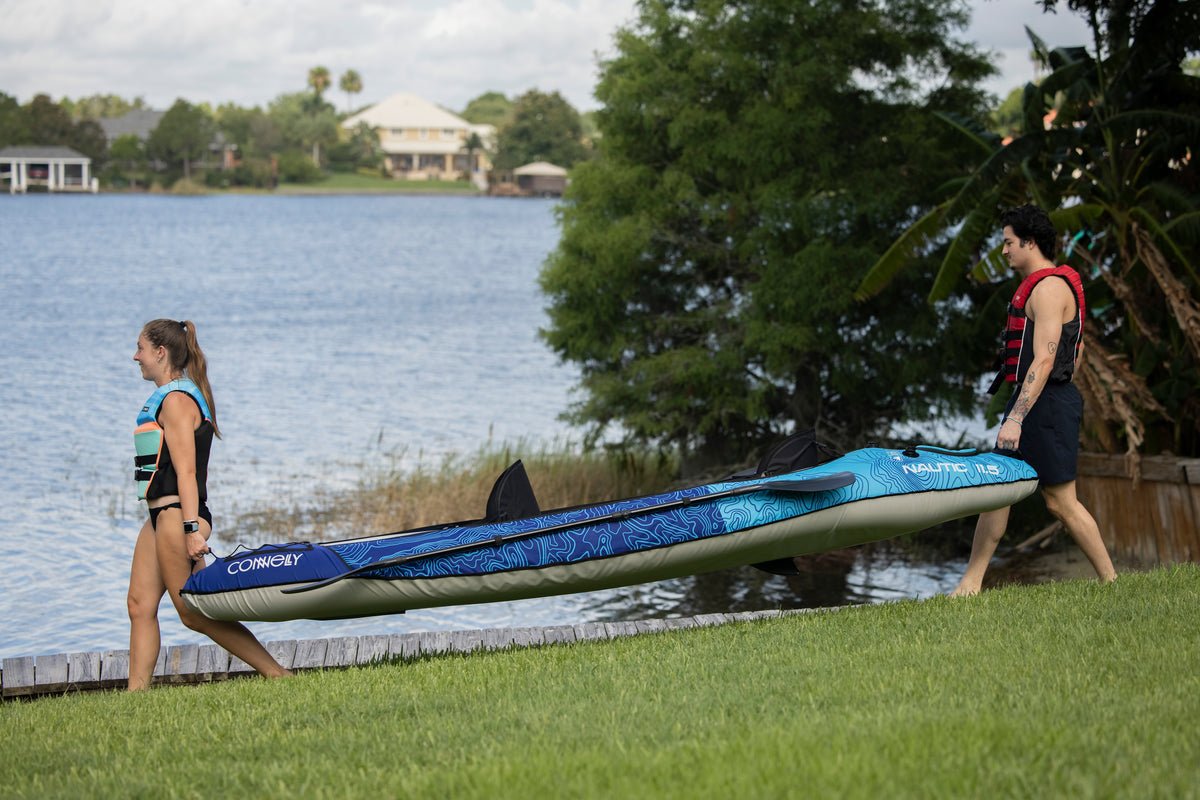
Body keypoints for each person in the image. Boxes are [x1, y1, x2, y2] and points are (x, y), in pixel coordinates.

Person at [950, 205, 1117, 597]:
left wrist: (1017, 417)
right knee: (997, 491)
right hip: (1032, 404)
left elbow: (1046, 358)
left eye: (1008, 242)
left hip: (1046, 405)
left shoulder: (1049, 289)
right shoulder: (1046, 286)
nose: (1004, 251)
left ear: (1029, 242)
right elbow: (1075, 352)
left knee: (1061, 503)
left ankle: (1112, 582)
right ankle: (969, 586)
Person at [127, 319, 293, 689]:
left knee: (194, 614)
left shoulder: (175, 401)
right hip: (159, 517)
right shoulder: (172, 396)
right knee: (139, 605)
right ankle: (134, 698)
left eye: (140, 348)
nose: (135, 356)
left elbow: (186, 474)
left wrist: (190, 530)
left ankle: (278, 675)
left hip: (177, 517)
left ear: (160, 352)